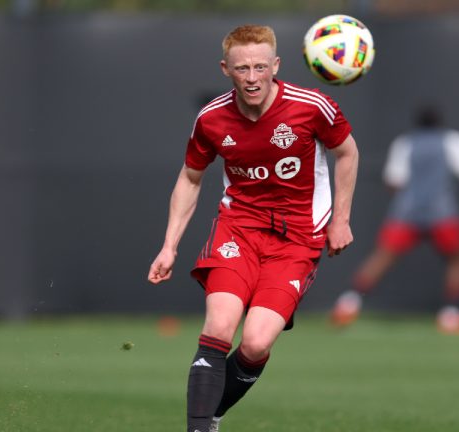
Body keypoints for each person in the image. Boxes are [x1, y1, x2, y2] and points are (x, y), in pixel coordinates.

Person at [147, 25, 359, 432]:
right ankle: (197, 428)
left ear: (275, 66)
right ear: (226, 69)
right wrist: (169, 245)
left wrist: (341, 219)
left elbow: (347, 152)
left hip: (298, 238)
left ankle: (214, 413)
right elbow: (191, 178)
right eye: (242, 68)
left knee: (257, 342)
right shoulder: (211, 118)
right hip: (239, 229)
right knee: (220, 325)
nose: (251, 77)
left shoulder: (312, 106)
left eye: (260, 66)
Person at [331, 105, 459, 333]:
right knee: (456, 260)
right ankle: (451, 315)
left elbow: (394, 181)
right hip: (442, 212)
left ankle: (348, 305)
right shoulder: (453, 141)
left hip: (407, 212)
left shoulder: (405, 143)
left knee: (383, 257)